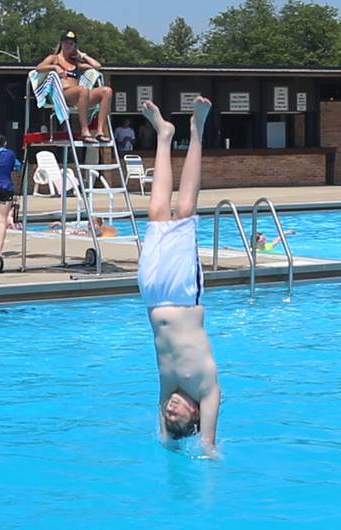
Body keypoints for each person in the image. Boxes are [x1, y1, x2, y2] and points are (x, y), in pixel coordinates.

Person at [137, 96, 220, 456]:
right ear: (197, 414)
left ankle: (164, 136)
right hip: (185, 294)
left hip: (153, 295)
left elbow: (164, 432)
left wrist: (167, 439)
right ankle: (197, 130)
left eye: (167, 416)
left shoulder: (168, 384)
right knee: (184, 211)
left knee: (157, 212)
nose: (169, 412)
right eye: (177, 417)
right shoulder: (206, 389)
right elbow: (208, 444)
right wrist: (208, 449)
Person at [36, 30, 113, 144]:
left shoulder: (76, 63)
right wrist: (54, 68)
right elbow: (39, 68)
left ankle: (100, 131)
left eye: (72, 43)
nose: (69, 45)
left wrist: (82, 54)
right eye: (66, 42)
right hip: (62, 94)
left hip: (80, 95)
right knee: (83, 90)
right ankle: (84, 131)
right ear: (61, 43)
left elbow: (97, 66)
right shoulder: (54, 58)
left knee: (107, 91)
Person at [48, 216, 118, 237]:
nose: (89, 225)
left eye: (92, 223)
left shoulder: (100, 231)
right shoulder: (96, 228)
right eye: (89, 223)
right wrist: (60, 224)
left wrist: (75, 233)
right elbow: (77, 229)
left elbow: (90, 234)